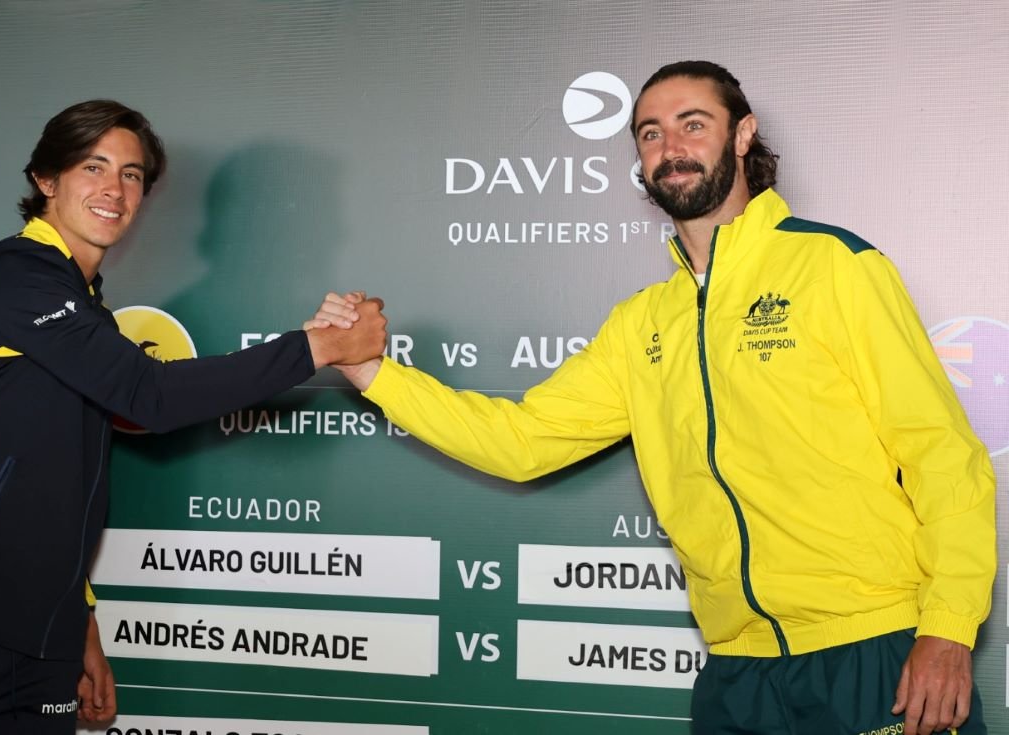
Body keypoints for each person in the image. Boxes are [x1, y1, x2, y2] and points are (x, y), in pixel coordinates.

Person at [323, 61, 996, 735]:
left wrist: (947, 627)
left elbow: (941, 455)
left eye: (692, 125)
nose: (670, 147)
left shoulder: (833, 266)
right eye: (650, 133)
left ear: (743, 135)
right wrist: (372, 372)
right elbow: (522, 441)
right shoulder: (641, 321)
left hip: (876, 648)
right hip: (738, 673)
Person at [0, 99, 387, 734]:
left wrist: (78, 619)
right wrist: (321, 347)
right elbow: (150, 395)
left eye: (131, 174)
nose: (114, 190)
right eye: (93, 167)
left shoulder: (85, 304)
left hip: (40, 636)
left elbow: (56, 482)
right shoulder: (14, 275)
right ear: (46, 179)